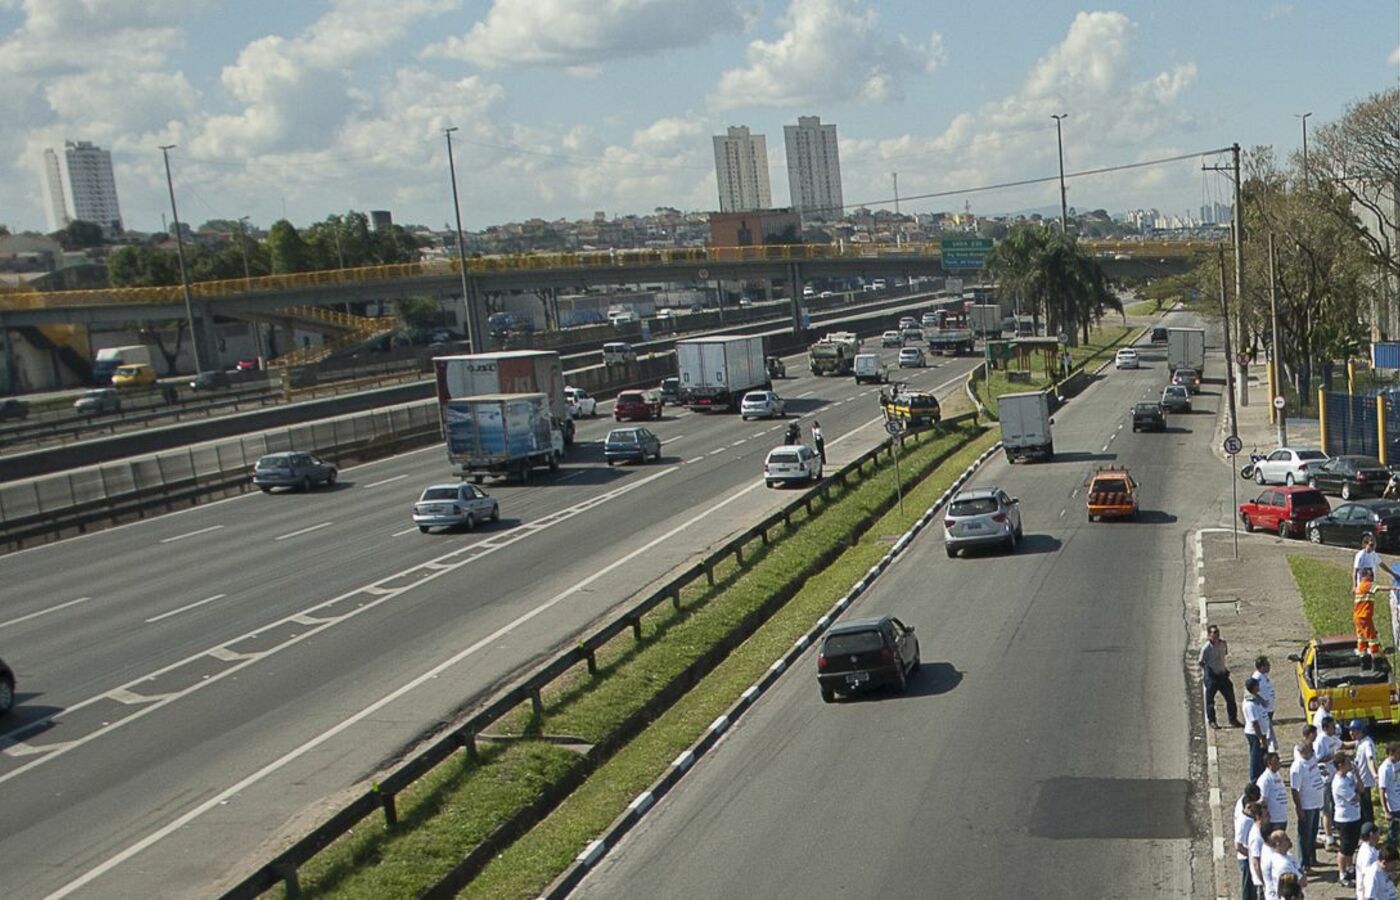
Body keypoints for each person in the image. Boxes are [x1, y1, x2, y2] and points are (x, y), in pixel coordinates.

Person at [1290, 741, 1326, 871]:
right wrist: (1299, 809)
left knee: (1313, 833)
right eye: (1309, 750)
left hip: (1316, 803)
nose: (1312, 752)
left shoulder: (1312, 759)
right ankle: (1304, 864)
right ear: (1302, 752)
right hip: (1306, 806)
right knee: (1305, 835)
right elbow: (1295, 790)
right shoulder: (1297, 767)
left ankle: (1312, 858)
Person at [1201, 624, 1242, 728]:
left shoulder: (1223, 644)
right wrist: (1208, 672)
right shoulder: (1206, 648)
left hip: (1222, 675)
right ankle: (1212, 721)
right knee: (1210, 701)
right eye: (1213, 633)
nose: (1215, 635)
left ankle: (1233, 719)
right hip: (1212, 677)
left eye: (1217, 632)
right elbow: (1201, 661)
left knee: (1231, 698)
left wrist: (1224, 669)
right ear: (1209, 635)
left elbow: (1224, 656)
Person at [1337, 753, 1366, 886]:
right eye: (1348, 763)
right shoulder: (1338, 783)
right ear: (1340, 765)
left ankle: (1350, 869)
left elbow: (1361, 789)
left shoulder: (1349, 777)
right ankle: (1342, 874)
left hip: (1355, 816)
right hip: (1345, 819)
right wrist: (1358, 793)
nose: (1350, 765)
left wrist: (1358, 775)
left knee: (1352, 846)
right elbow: (1356, 798)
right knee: (1345, 848)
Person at [1245, 678, 1273, 782]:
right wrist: (1260, 738)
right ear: (1253, 688)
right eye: (1257, 685)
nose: (1259, 687)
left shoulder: (1256, 698)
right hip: (1255, 734)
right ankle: (1255, 778)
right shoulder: (1250, 704)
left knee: (1263, 755)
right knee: (1256, 757)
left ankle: (1263, 774)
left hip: (1263, 732)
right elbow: (1255, 723)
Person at [1352, 719, 1380, 824]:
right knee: (1362, 807)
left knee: (1366, 808)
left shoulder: (1367, 743)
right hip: (1360, 780)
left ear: (1361, 731)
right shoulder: (1359, 742)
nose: (1351, 733)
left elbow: (1370, 759)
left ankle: (1370, 830)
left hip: (1365, 781)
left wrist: (1374, 774)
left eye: (1353, 730)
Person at [1263, 831, 1305, 900]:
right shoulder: (1282, 864)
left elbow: (1300, 870)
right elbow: (1302, 882)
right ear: (1278, 844)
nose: (1289, 840)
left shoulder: (1287, 855)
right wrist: (1302, 875)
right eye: (1286, 839)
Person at [1259, 752, 1291, 838]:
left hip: (1281, 817)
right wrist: (1265, 818)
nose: (1279, 762)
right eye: (1276, 761)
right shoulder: (1265, 779)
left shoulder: (1277, 775)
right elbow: (1263, 801)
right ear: (1269, 763)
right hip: (1273, 820)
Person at [1356, 567, 1384, 663]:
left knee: (1361, 637)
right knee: (1372, 638)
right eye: (1371, 575)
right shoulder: (1366, 585)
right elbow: (1380, 588)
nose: (1372, 577)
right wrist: (1396, 588)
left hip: (1358, 616)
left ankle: (1362, 654)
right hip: (1364, 616)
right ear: (1365, 576)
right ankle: (1375, 657)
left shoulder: (1359, 586)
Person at [1237, 792, 1260, 899]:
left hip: (1249, 858)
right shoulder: (1244, 822)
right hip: (1245, 859)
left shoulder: (1250, 819)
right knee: (1247, 888)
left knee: (1252, 888)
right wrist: (1251, 855)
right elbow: (1238, 845)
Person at [1249, 800, 1272, 900]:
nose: (1269, 816)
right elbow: (1256, 863)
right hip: (1261, 882)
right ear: (1259, 817)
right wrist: (1264, 882)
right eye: (1266, 815)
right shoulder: (1257, 837)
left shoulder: (1261, 831)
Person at [1379, 743, 1400, 851]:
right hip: (1393, 806)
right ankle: (1390, 854)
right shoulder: (1385, 769)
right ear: (1391, 753)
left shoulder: (1398, 763)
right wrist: (1386, 811)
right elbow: (1382, 790)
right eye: (1398, 753)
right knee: (1393, 833)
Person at [1254, 657, 1278, 750]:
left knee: (1269, 731)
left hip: (1269, 709)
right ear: (1262, 667)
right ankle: (1270, 752)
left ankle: (1270, 750)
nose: (1269, 666)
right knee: (1267, 733)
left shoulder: (1264, 676)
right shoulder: (1257, 678)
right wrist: (1262, 702)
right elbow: (1253, 693)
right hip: (1264, 711)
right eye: (1267, 664)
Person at [1358, 823, 1382, 900]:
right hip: (1369, 895)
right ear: (1372, 835)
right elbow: (1367, 878)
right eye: (1378, 833)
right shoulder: (1368, 856)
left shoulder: (1368, 847)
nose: (1379, 835)